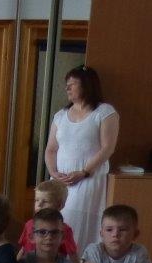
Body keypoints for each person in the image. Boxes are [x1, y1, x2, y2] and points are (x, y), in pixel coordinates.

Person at [44, 65, 120, 250]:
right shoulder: (60, 115)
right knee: (54, 222)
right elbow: (51, 149)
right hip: (60, 181)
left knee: (77, 224)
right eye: (67, 84)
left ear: (86, 85)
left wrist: (84, 172)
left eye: (72, 84)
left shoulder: (104, 112)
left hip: (88, 179)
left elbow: (107, 148)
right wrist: (53, 172)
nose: (67, 88)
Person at [16, 179, 77, 258]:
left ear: (59, 205)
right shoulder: (29, 224)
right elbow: (23, 249)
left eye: (45, 201)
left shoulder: (65, 229)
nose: (39, 205)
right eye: (37, 200)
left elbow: (73, 255)